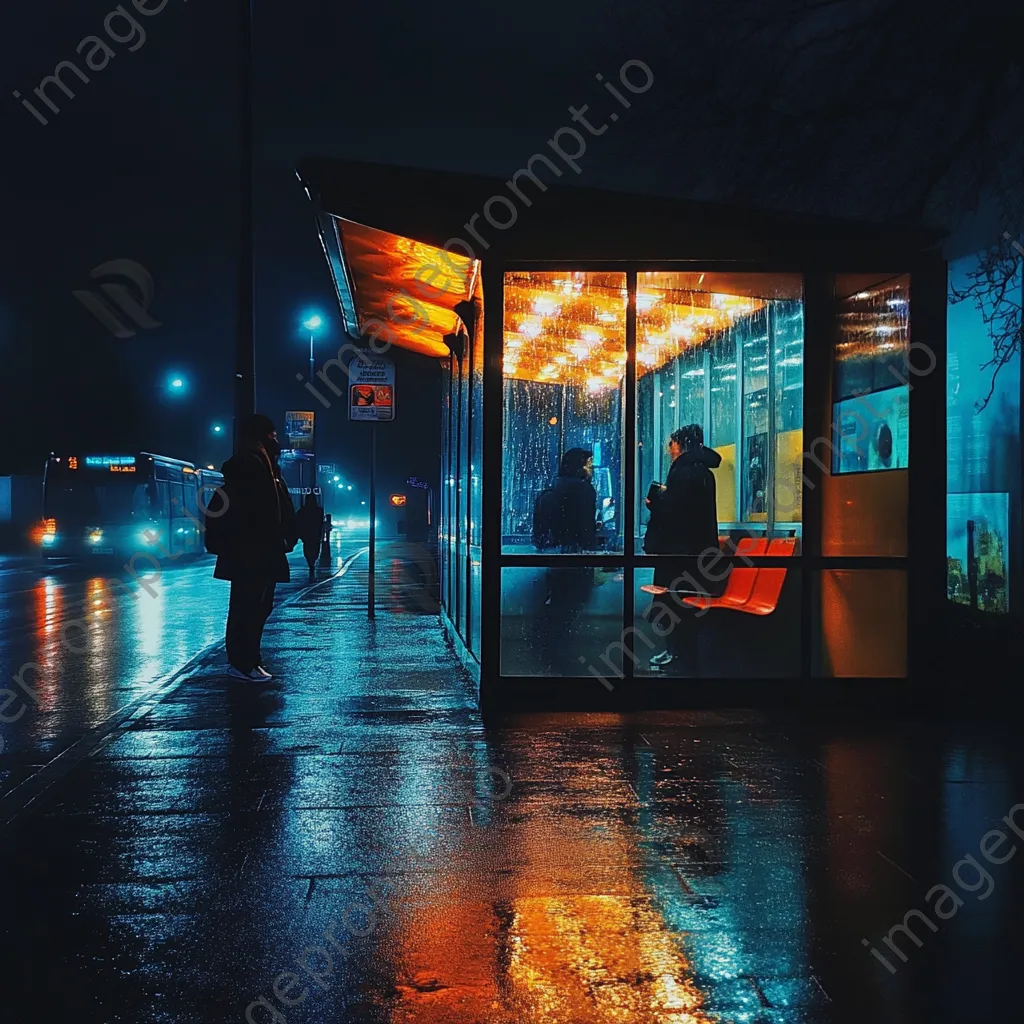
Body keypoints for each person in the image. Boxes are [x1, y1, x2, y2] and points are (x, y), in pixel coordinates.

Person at [210, 414, 298, 682]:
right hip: (253, 552)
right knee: (248, 607)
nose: (276, 441)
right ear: (261, 437)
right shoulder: (252, 466)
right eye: (272, 436)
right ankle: (242, 662)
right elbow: (258, 513)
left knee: (257, 607)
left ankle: (249, 659)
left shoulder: (264, 466)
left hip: (259, 551)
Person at [644, 424, 723, 673]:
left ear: (682, 445)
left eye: (673, 443)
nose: (670, 449)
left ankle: (677, 654)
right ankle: (684, 654)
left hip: (677, 552)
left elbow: (674, 514)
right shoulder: (703, 472)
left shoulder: (682, 472)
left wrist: (655, 501)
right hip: (698, 550)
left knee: (673, 602)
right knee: (686, 604)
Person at [534, 448, 599, 672]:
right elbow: (586, 530)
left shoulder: (550, 491)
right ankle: (561, 655)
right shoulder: (584, 491)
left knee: (557, 606)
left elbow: (539, 534)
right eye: (589, 464)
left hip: (554, 558)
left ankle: (550, 651)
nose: (591, 469)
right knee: (569, 607)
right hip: (575, 557)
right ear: (579, 466)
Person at [295, 493, 325, 576]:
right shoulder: (318, 510)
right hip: (313, 533)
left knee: (308, 548)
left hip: (308, 533)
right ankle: (312, 562)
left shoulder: (303, 510)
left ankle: (311, 562)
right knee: (314, 548)